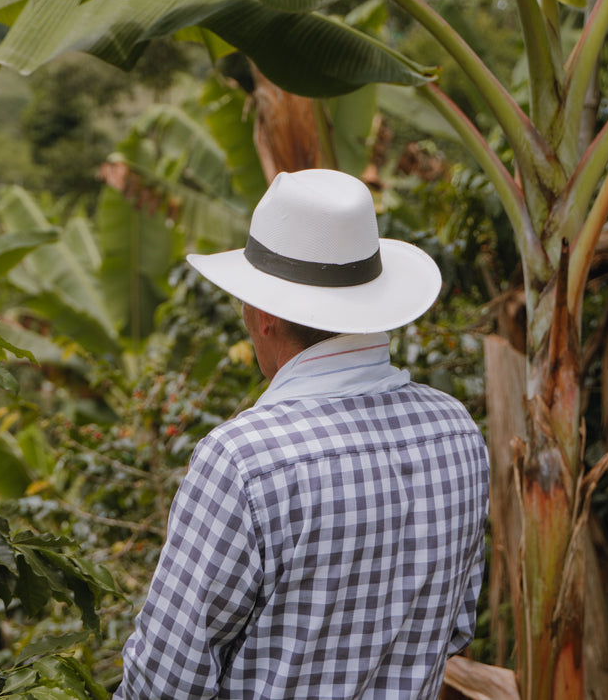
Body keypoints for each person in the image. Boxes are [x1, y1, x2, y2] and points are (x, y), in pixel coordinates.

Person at [113, 169, 490, 699]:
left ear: (264, 314)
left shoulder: (243, 460)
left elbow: (164, 684)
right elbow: (453, 628)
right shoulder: (455, 432)